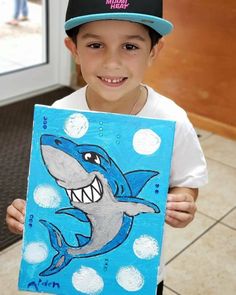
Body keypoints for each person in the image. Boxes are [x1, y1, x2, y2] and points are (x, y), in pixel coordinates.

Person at [5, 0, 208, 294]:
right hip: (71, 279)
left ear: (154, 51)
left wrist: (183, 202)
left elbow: (187, 182)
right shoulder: (59, 116)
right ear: (74, 50)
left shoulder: (172, 120)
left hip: (136, 272)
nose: (112, 63)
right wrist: (28, 214)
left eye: (130, 47)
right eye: (95, 45)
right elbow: (50, 188)